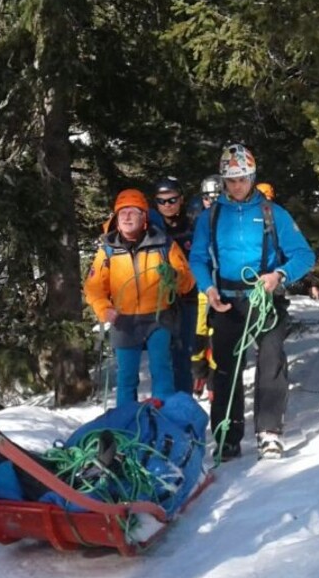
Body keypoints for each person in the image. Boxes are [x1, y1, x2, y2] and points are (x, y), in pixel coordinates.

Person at [189, 144, 315, 461]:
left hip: (266, 299)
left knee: (271, 362)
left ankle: (269, 432)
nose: (237, 186)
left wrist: (279, 276)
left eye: (242, 179)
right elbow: (198, 257)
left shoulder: (273, 212)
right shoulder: (212, 216)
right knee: (225, 368)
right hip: (227, 301)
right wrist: (208, 288)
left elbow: (304, 255)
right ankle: (227, 437)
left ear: (252, 177)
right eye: (230, 180)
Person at [84, 189, 195, 407]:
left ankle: (164, 425)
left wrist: (174, 277)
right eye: (122, 212)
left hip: (159, 318)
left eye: (132, 212)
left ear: (144, 217)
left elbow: (188, 281)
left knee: (161, 372)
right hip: (123, 320)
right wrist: (103, 309)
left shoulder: (164, 244)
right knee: (126, 378)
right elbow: (93, 287)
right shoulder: (108, 250)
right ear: (116, 218)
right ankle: (127, 428)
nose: (126, 217)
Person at [150, 176, 198, 394]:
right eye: (162, 201)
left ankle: (183, 408)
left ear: (181, 199)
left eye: (172, 200)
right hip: (160, 300)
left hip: (188, 297)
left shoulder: (193, 224)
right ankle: (162, 410)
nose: (167, 205)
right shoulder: (151, 227)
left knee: (183, 356)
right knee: (161, 359)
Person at [189, 174, 223, 397]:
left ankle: (213, 382)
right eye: (207, 197)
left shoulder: (232, 218)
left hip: (223, 285)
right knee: (198, 335)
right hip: (201, 285)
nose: (211, 201)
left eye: (216, 196)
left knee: (217, 335)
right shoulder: (195, 218)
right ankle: (198, 374)